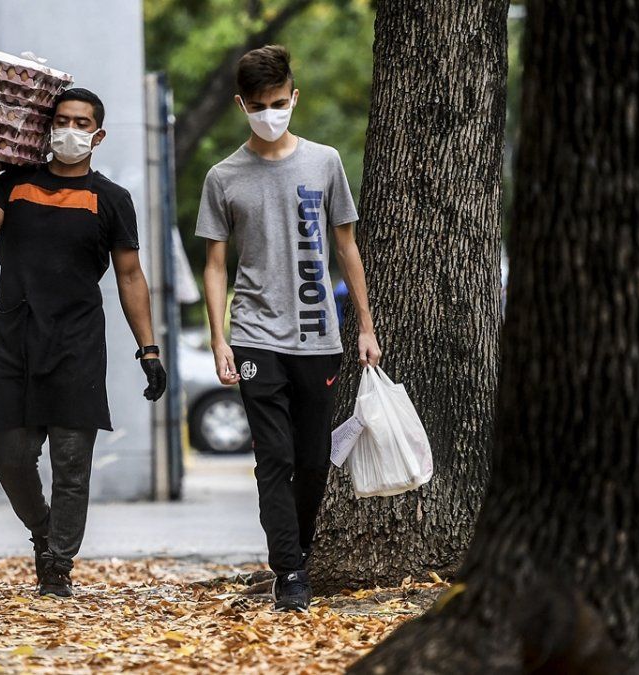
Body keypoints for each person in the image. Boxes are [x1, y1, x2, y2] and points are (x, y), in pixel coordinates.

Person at [195, 46, 381, 612]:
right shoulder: (223, 176)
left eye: (278, 103)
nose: (270, 113)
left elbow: (347, 246)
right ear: (241, 105)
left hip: (318, 334)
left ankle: (296, 548)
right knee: (273, 457)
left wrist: (365, 327)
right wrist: (220, 337)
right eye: (258, 105)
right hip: (254, 333)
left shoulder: (324, 162)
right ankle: (289, 571)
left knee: (310, 459)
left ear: (294, 97)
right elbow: (215, 264)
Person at [0, 88, 167, 598]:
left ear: (97, 135)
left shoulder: (111, 199)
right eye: (61, 120)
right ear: (47, 128)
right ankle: (43, 530)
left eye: (81, 123)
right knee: (11, 457)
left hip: (76, 343)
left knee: (71, 466)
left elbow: (130, 275)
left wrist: (149, 349)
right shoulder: (17, 183)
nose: (69, 130)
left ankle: (57, 566)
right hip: (14, 338)